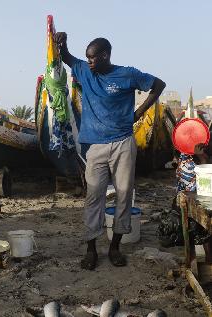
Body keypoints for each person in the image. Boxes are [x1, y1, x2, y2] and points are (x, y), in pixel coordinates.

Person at [54, 32, 166, 270]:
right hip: (94, 146)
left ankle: (115, 246)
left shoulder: (127, 74)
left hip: (123, 143)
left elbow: (158, 85)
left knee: (124, 195)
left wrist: (139, 112)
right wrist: (61, 43)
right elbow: (66, 57)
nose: (89, 62)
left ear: (105, 56)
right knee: (94, 196)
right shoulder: (84, 70)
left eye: (93, 58)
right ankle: (91, 249)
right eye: (87, 58)